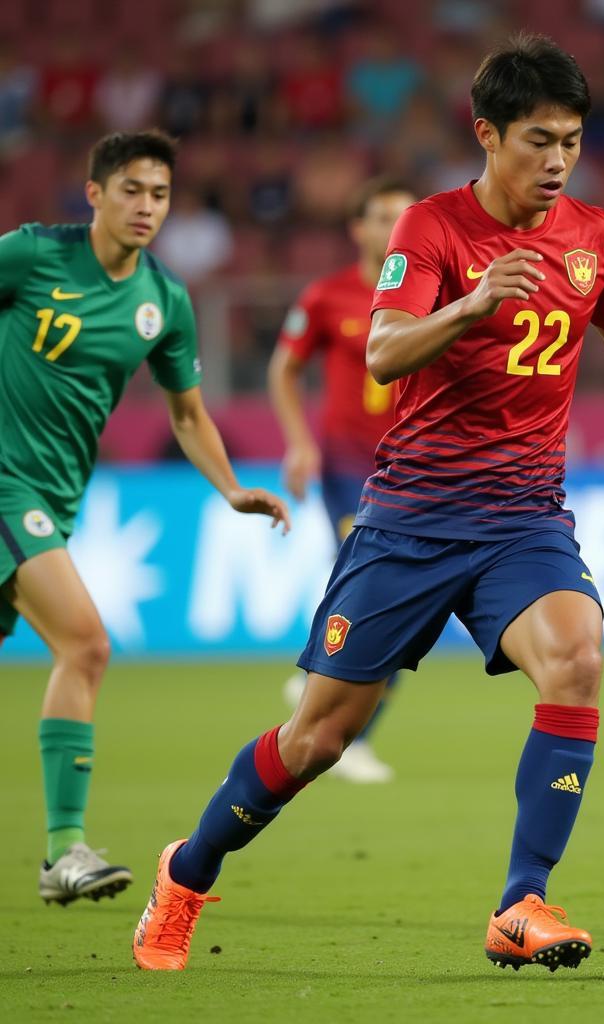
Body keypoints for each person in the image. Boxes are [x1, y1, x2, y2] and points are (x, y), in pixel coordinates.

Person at [133, 34, 604, 974]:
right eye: (538, 140)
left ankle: (520, 902)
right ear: (486, 134)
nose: (558, 160)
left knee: (577, 657)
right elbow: (383, 352)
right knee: (319, 738)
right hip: (408, 521)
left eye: (571, 139)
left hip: (524, 520)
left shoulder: (594, 237)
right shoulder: (432, 231)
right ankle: (188, 873)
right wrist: (471, 306)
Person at [0, 130, 291, 908]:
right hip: (7, 486)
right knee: (85, 644)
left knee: (78, 649)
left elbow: (189, 415)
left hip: (54, 498)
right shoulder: (31, 256)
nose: (146, 207)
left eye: (159, 195)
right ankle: (64, 849)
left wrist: (230, 489)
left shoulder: (162, 300)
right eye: (131, 190)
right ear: (93, 193)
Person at [268, 176, 416, 783]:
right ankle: (329, 704)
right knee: (381, 582)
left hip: (414, 466)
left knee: (411, 602)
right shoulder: (327, 296)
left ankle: (330, 701)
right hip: (349, 466)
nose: (394, 228)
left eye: (405, 217)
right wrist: (299, 444)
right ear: (358, 227)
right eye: (383, 217)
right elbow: (284, 370)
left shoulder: (433, 293)